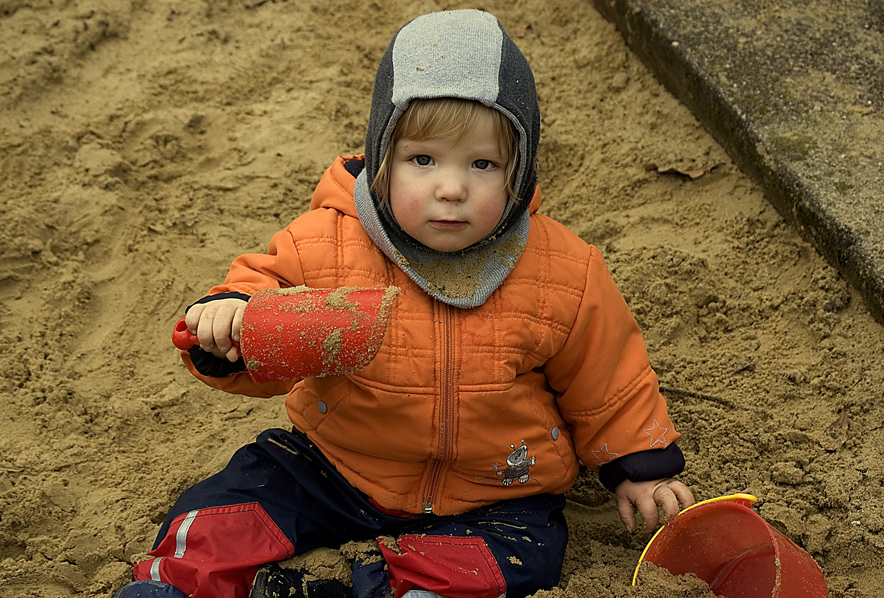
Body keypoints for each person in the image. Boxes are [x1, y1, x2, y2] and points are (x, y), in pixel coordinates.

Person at [114, 9, 694, 598]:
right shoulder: (326, 243)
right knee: (219, 514)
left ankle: (348, 586)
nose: (451, 187)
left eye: (482, 164)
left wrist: (638, 465)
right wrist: (229, 324)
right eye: (423, 159)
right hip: (336, 464)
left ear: (518, 169)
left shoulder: (563, 269)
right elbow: (262, 301)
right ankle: (173, 588)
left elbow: (606, 375)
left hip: (495, 490)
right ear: (383, 155)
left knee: (521, 560)